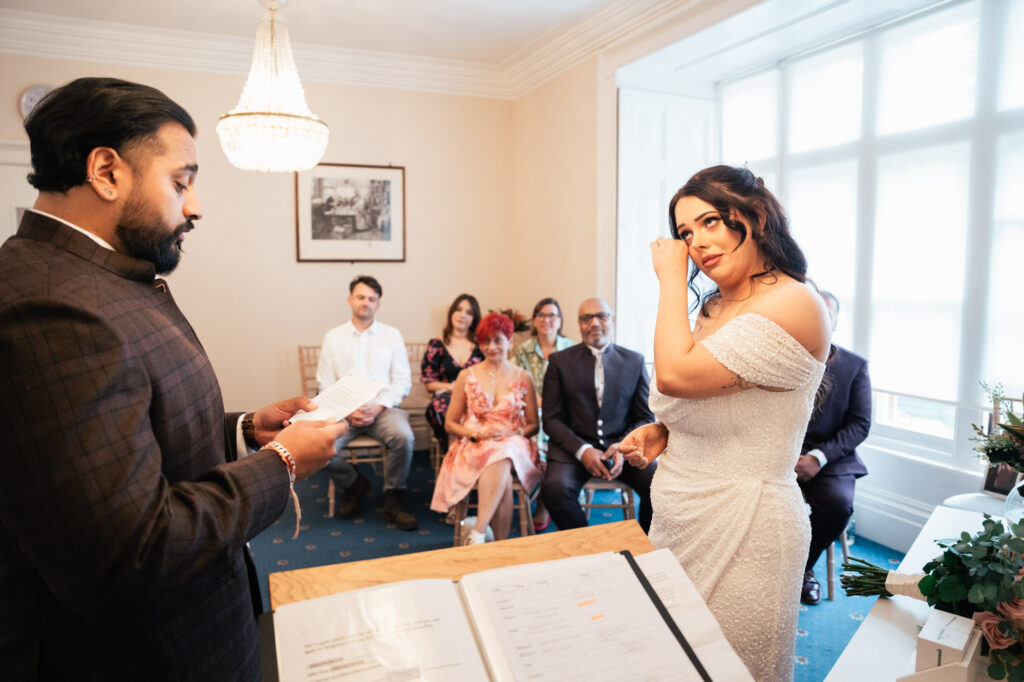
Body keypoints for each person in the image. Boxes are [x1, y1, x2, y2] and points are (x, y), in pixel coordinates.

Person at [0, 77, 348, 680]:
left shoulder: (99, 276)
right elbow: (131, 553)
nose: (195, 206)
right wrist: (283, 465)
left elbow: (120, 438)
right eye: (180, 182)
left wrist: (244, 430)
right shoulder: (52, 307)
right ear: (106, 171)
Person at [621, 165, 831, 682]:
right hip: (679, 513)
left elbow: (672, 374)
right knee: (673, 663)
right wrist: (667, 431)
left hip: (747, 524)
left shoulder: (795, 303)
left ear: (755, 216)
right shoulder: (715, 305)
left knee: (732, 668)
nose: (695, 244)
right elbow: (715, 398)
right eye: (686, 233)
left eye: (710, 222)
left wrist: (671, 281)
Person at [540, 298, 657, 533]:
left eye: (601, 316)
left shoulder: (634, 361)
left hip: (622, 447)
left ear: (611, 320)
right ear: (579, 323)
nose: (594, 323)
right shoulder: (559, 362)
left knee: (658, 483)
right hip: (573, 451)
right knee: (554, 489)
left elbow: (645, 417)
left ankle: (646, 545)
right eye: (586, 318)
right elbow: (551, 419)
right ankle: (588, 546)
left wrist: (623, 446)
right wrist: (582, 451)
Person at [316, 275, 418, 530]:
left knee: (404, 437)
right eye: (361, 297)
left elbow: (402, 380)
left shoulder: (391, 336)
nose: (366, 302)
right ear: (350, 299)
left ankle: (394, 496)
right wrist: (348, 411)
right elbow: (324, 383)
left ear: (378, 304)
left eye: (372, 299)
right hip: (343, 412)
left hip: (382, 409)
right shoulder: (333, 337)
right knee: (318, 445)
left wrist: (379, 406)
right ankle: (354, 484)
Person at [430, 313, 542, 544]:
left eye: (498, 340)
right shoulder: (466, 376)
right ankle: (497, 544)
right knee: (502, 466)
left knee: (504, 451)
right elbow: (450, 423)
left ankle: (478, 532)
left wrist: (514, 433)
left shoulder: (523, 376)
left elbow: (533, 424)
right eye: (486, 341)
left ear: (510, 342)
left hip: (513, 441)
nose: (492, 347)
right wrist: (475, 433)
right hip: (475, 442)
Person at [797, 290, 870, 605]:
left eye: (827, 316)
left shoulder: (855, 366)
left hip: (831, 458)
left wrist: (817, 457)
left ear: (836, 322)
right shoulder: (779, 360)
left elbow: (859, 424)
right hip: (779, 453)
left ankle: (802, 569)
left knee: (838, 505)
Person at [514, 297, 574, 531]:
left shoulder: (571, 348)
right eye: (541, 315)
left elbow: (577, 390)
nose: (546, 320)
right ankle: (536, 493)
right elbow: (517, 387)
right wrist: (535, 403)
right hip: (530, 411)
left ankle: (544, 503)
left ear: (560, 321)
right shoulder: (523, 350)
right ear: (534, 320)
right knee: (533, 435)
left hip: (562, 412)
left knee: (553, 435)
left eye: (552, 315)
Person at [421, 293, 484, 453]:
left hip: (475, 398)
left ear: (474, 319)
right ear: (451, 313)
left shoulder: (481, 347)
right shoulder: (436, 344)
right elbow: (429, 384)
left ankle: (473, 452)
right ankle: (453, 452)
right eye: (458, 309)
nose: (462, 315)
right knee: (444, 408)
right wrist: (452, 387)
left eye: (469, 312)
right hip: (445, 397)